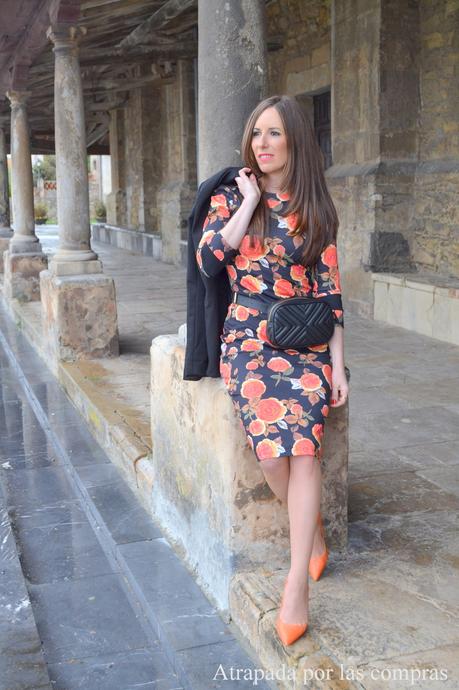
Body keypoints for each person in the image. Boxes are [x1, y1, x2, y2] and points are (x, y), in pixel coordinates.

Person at [195, 94, 349, 646]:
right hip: (246, 343)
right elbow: (211, 260)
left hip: (302, 345)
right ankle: (312, 534)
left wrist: (336, 367)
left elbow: (330, 298)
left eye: (275, 134)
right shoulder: (228, 197)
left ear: (295, 142)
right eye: (257, 133)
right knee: (271, 460)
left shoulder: (317, 210)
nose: (262, 144)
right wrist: (247, 202)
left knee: (303, 448)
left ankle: (295, 585)